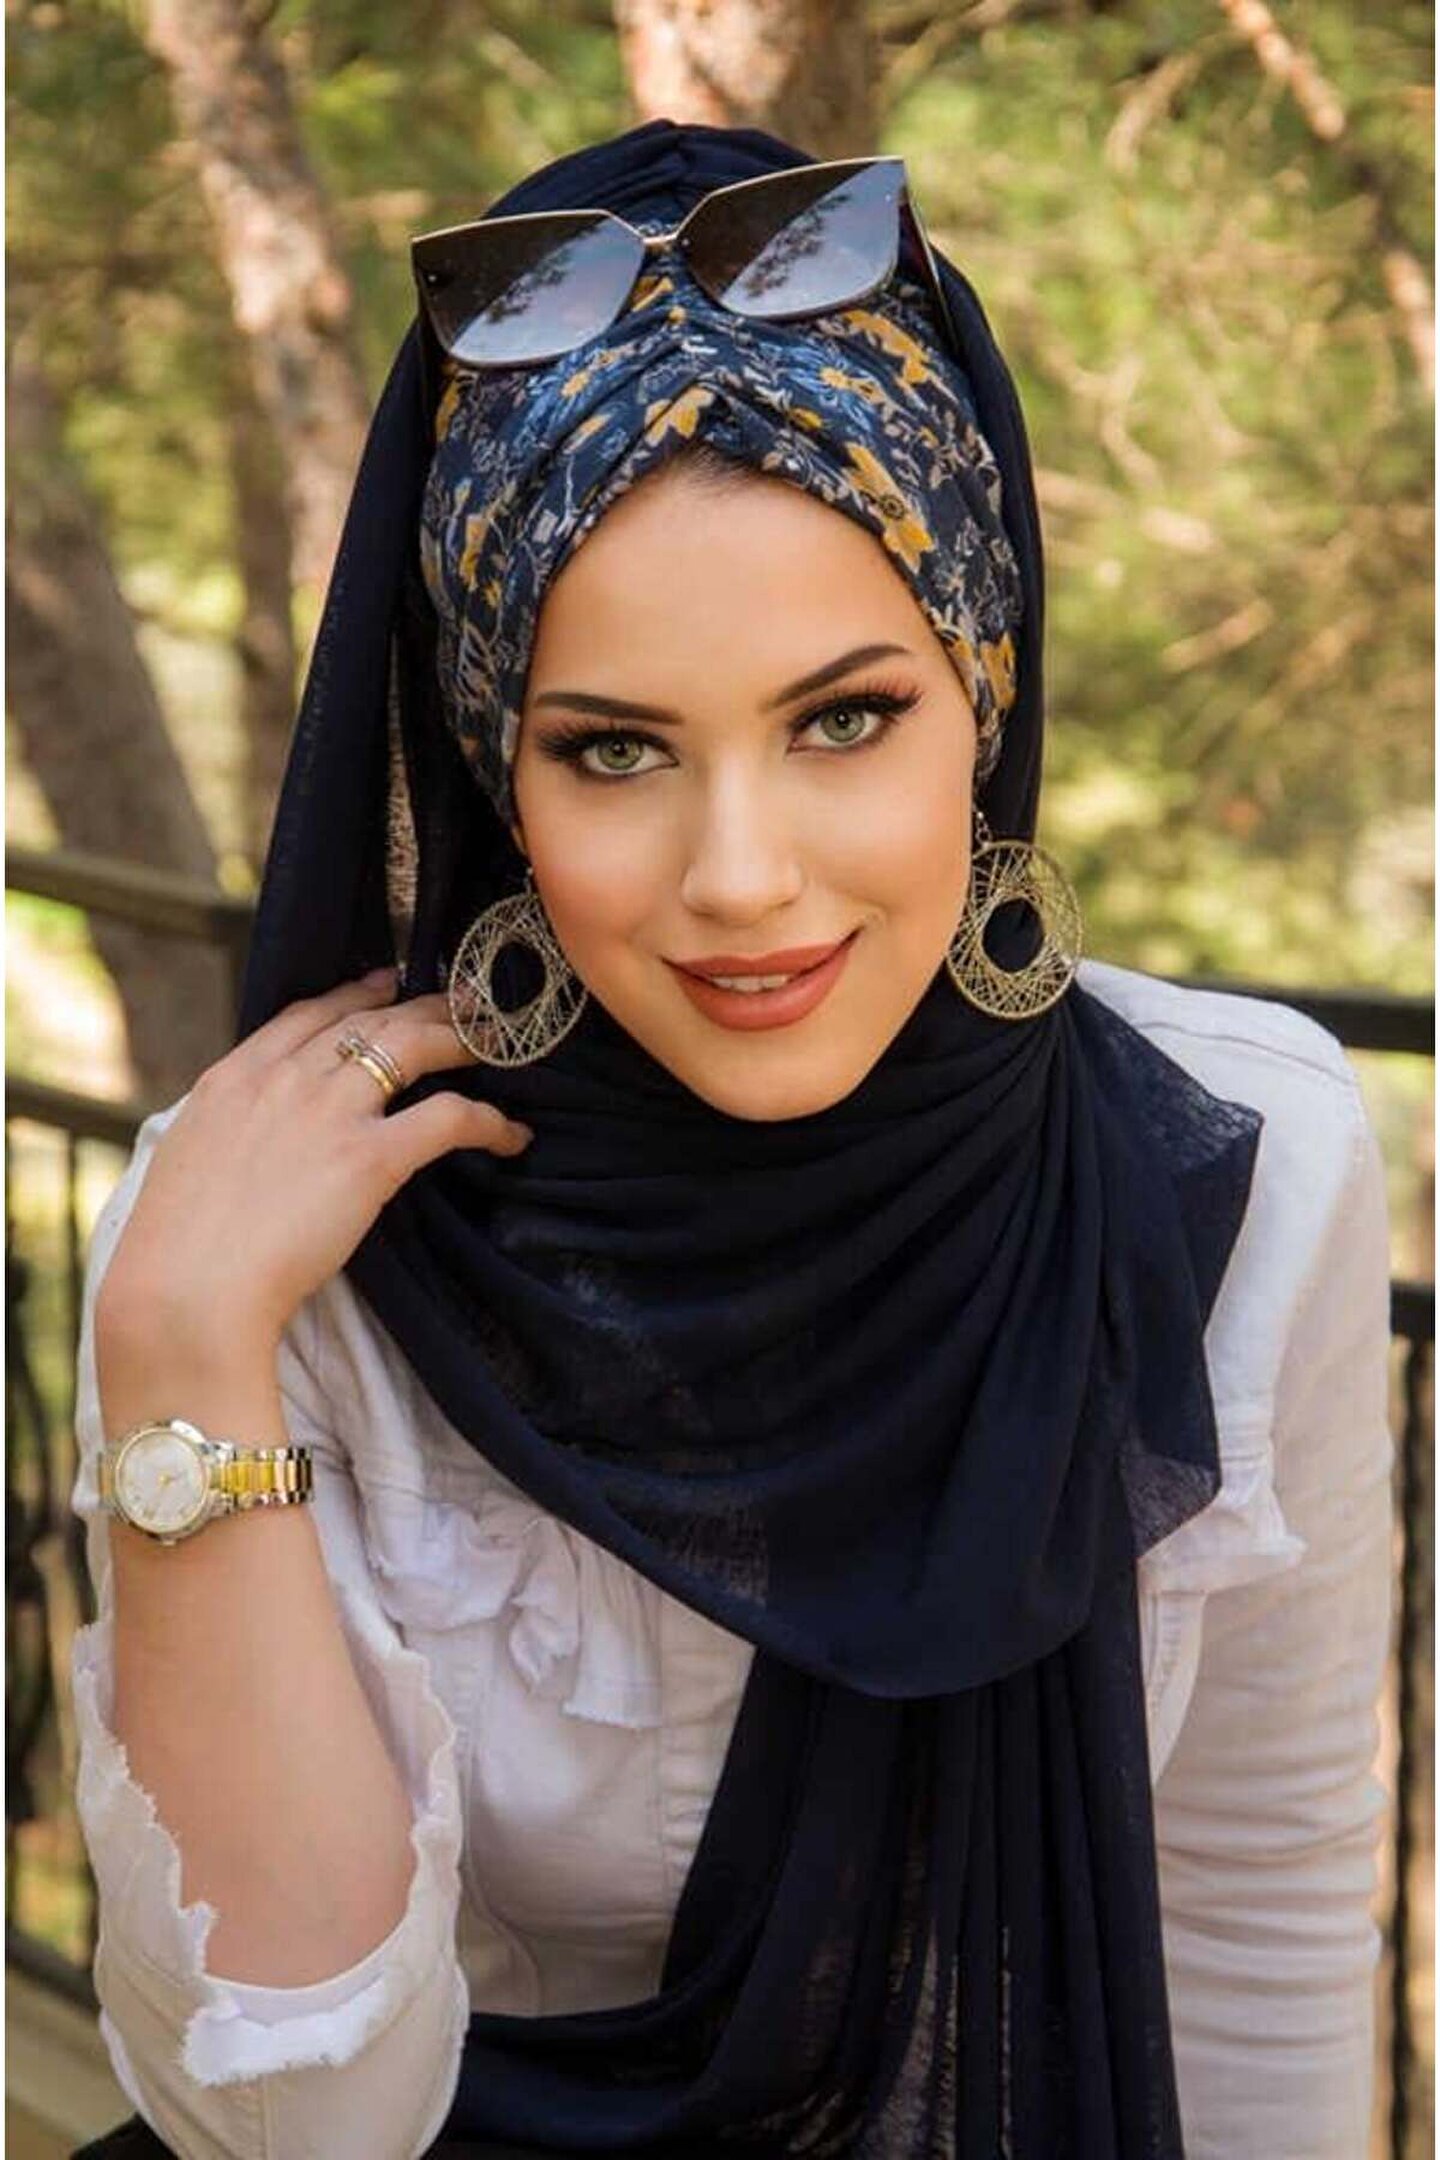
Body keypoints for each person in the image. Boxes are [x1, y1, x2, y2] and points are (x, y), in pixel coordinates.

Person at [69, 119, 1394, 2160]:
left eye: (845, 717)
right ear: (498, 774)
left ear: (983, 690)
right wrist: (178, 1354)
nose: (743, 878)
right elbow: (303, 2122)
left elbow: (1257, 1926)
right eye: (614, 750)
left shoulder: (1248, 1171)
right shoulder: (279, 1244)